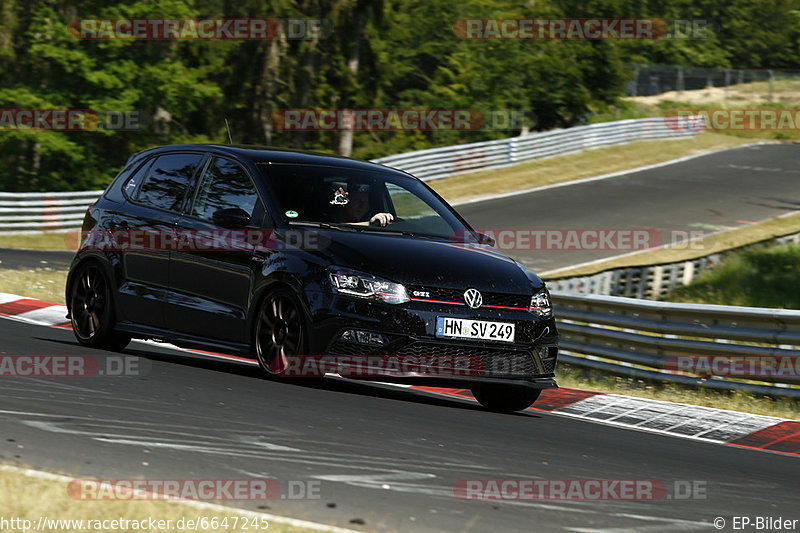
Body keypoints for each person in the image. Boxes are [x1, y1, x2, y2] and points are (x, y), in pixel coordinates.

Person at [329, 183, 394, 227]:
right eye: (358, 201)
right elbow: (337, 227)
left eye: (366, 203)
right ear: (345, 201)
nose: (363, 206)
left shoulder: (361, 226)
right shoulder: (325, 220)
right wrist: (370, 224)